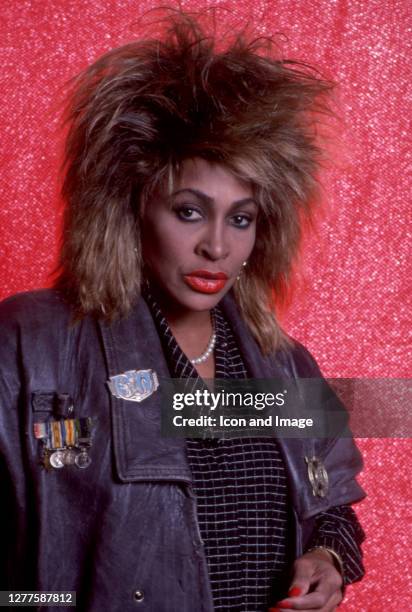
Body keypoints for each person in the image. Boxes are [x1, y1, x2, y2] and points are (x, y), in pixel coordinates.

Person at [0, 11, 366, 612]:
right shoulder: (34, 343)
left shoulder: (285, 368)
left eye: (241, 219)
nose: (217, 247)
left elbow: (335, 512)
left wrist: (326, 561)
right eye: (190, 211)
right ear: (134, 208)